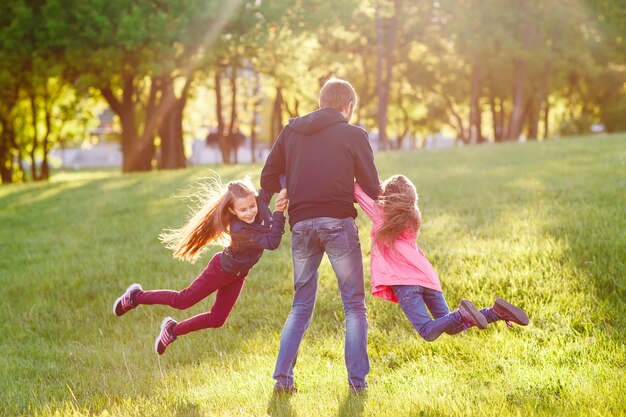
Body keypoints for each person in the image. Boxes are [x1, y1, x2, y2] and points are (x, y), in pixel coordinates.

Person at [261, 77, 380, 393]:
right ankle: (358, 383)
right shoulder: (353, 134)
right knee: (353, 305)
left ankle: (282, 380)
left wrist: (289, 188)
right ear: (348, 106)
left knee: (300, 305)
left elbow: (268, 175)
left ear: (321, 101)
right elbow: (371, 186)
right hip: (338, 223)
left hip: (301, 225)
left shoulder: (291, 131)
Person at [113, 177, 288, 355]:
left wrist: (285, 183)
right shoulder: (240, 229)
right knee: (182, 301)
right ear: (232, 210)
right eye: (243, 209)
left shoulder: (259, 206)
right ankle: (136, 297)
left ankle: (172, 330)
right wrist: (279, 212)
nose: (250, 212)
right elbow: (272, 242)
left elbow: (269, 182)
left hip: (238, 275)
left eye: (252, 206)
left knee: (217, 319)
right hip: (220, 270)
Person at [354, 175, 529, 342]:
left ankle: (461, 313)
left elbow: (356, 191)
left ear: (388, 197)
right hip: (427, 278)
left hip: (405, 282)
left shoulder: (381, 215)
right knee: (451, 326)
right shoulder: (414, 218)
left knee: (427, 331)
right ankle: (495, 312)